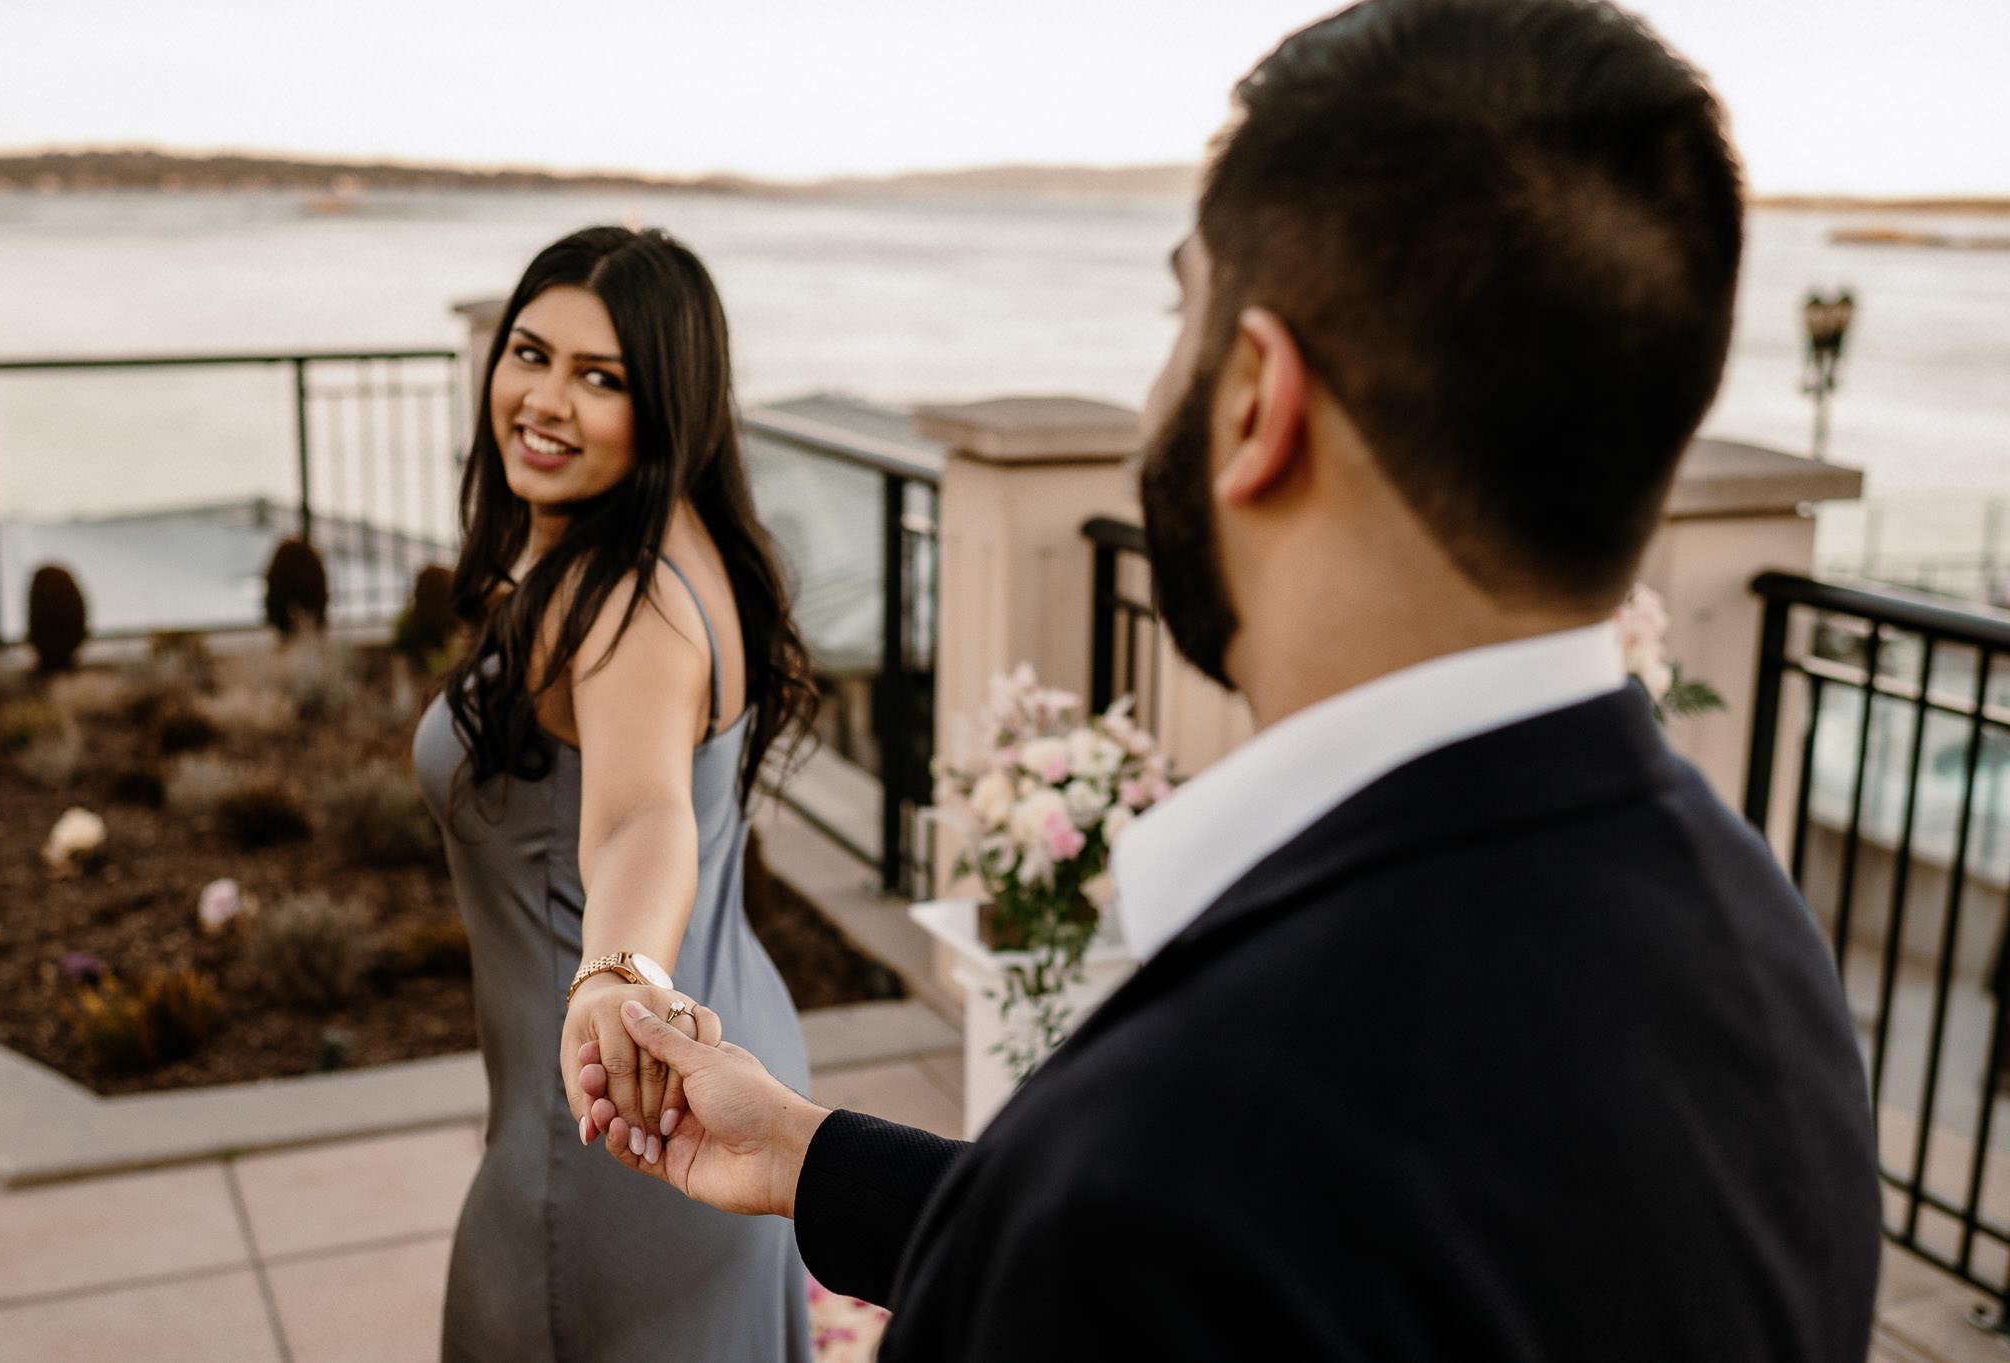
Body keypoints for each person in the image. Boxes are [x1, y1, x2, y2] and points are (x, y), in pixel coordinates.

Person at [582, 0, 1886, 1357]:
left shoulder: (1195, 1135)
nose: (1160, 391)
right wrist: (810, 1153)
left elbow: (1174, 1241)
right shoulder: (1767, 953)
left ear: (1257, 397)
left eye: (1180, 312)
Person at [413, 225, 820, 1362]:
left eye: (600, 378)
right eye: (529, 353)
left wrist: (617, 977)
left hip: (618, 1111)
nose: (543, 399)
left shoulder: (624, 597)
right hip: (732, 1047)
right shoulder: (685, 539)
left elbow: (645, 816)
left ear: (669, 404)